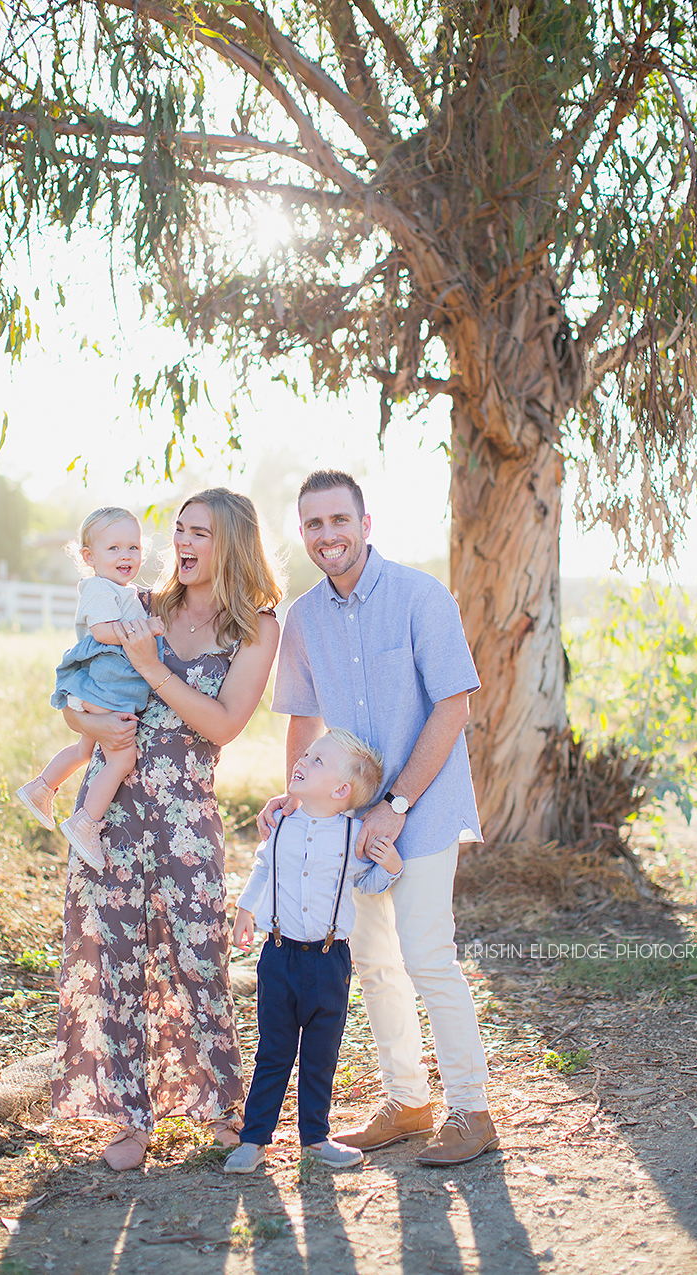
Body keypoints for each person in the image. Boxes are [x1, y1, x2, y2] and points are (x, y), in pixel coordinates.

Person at [258, 469, 498, 1168]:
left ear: (367, 523)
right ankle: (408, 1100)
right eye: (313, 524)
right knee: (373, 963)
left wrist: (395, 806)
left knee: (426, 954)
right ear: (302, 535)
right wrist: (300, 802)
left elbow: (453, 705)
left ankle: (472, 1108)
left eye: (338, 520)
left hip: (419, 810)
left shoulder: (421, 596)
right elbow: (304, 717)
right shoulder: (302, 618)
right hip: (347, 818)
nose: (327, 534)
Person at [50, 488, 281, 1171]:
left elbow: (224, 723)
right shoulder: (139, 604)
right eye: (178, 529)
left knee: (197, 957)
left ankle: (217, 1105)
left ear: (230, 544)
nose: (180, 541)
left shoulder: (257, 629)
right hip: (112, 811)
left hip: (185, 818)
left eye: (199, 532)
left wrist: (153, 668)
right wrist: (87, 724)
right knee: (112, 960)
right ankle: (127, 1116)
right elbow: (77, 693)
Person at [225, 728, 401, 1174]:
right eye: (307, 754)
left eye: (317, 760)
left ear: (341, 790)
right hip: (279, 955)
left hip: (329, 961)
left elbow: (371, 882)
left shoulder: (355, 835)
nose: (302, 760)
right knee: (274, 1050)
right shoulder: (281, 823)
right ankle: (254, 1139)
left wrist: (392, 869)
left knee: (321, 1054)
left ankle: (316, 1138)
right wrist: (246, 910)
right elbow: (264, 868)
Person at [17, 507, 165, 870]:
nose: (126, 555)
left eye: (133, 547)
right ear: (89, 557)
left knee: (86, 748)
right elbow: (102, 631)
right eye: (113, 548)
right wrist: (149, 629)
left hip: (104, 686)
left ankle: (41, 788)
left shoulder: (120, 589)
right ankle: (86, 823)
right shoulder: (99, 588)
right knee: (122, 758)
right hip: (108, 688)